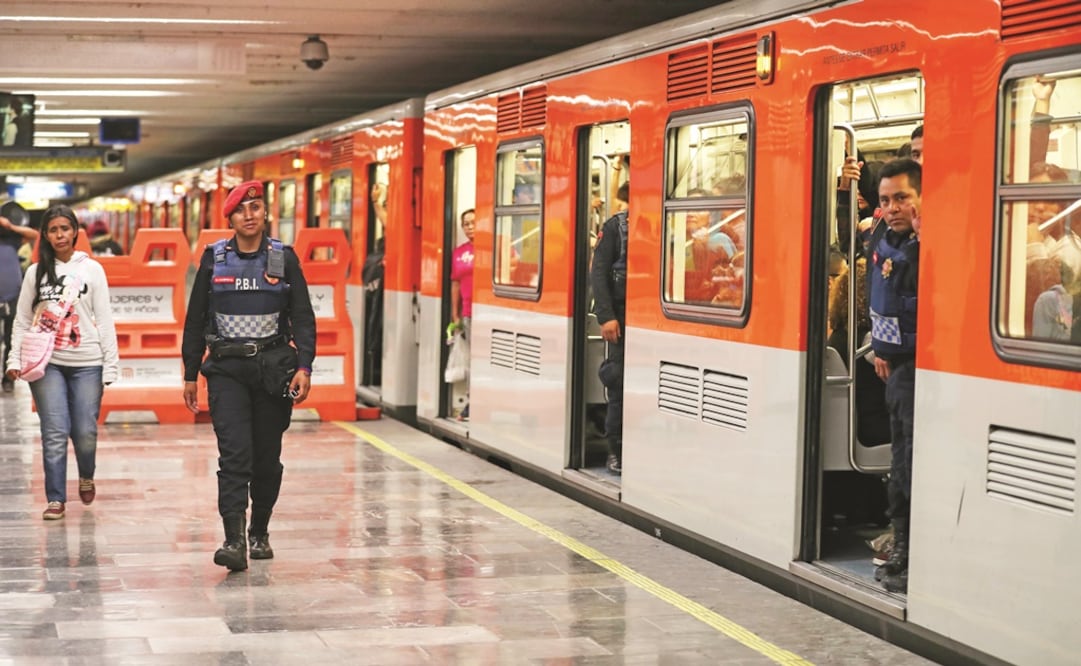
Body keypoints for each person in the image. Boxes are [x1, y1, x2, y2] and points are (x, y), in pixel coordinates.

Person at [181, 180, 316, 572]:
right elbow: (195, 320)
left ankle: (259, 531)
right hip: (226, 371)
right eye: (242, 210)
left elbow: (303, 317)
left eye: (255, 208)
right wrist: (191, 372)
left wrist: (305, 366)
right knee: (235, 455)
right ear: (230, 218)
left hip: (273, 372)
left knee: (266, 459)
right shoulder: (214, 259)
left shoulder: (283, 258)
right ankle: (233, 540)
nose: (249, 215)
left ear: (264, 213)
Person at [4, 205, 119, 520]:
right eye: (53, 230)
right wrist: (14, 358)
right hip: (47, 362)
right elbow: (22, 319)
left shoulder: (92, 270)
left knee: (84, 431)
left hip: (88, 362)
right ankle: (56, 498)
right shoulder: (35, 272)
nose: (59, 235)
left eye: (65, 229)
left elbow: (105, 319)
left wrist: (111, 364)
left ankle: (86, 475)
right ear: (45, 235)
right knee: (55, 430)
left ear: (75, 232)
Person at [866, 159, 921, 593]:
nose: (892, 208)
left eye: (902, 198)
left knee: (908, 461)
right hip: (892, 363)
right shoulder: (883, 238)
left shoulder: (923, 246)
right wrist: (879, 346)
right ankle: (901, 543)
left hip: (917, 365)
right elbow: (880, 294)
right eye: (885, 200)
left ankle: (908, 549)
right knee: (900, 460)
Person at [590, 182, 629, 475]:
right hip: (620, 316)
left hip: (648, 317)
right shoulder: (616, 226)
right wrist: (606, 316)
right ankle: (615, 451)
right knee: (618, 384)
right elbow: (599, 270)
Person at [0, 207, 39, 393]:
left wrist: (11, 226)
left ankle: (7, 379)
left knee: (11, 338)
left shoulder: (12, 239)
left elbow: (35, 235)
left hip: (12, 295)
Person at [449, 209, 475, 420]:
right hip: (468, 313)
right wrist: (455, 316)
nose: (470, 227)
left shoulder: (494, 246)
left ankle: (474, 404)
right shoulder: (459, 252)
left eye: (474, 222)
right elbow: (455, 284)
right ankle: (470, 403)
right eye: (466, 224)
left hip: (488, 312)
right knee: (471, 361)